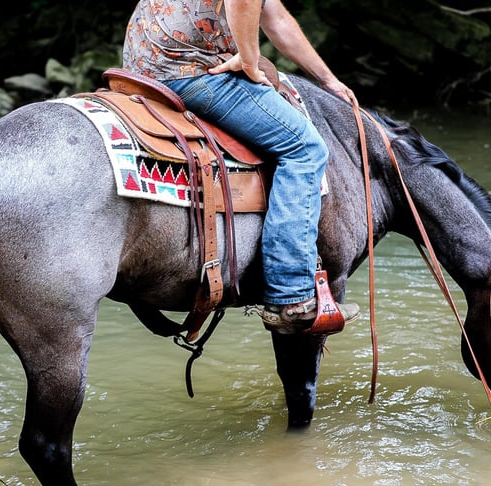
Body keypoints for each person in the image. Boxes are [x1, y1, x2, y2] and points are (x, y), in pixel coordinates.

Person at [123, 0, 359, 333]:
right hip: (189, 71)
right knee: (304, 149)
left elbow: (276, 17)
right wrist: (249, 61)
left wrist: (328, 80)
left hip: (142, 67)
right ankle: (292, 295)